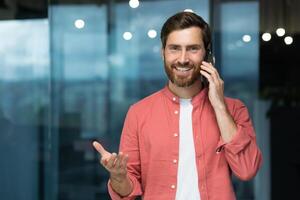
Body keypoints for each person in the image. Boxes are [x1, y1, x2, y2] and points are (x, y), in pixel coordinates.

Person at [93, 11, 262, 200]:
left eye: (193, 48)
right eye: (174, 48)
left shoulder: (234, 109)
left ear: (207, 54)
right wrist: (118, 177)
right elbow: (127, 190)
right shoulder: (138, 113)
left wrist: (219, 107)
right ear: (162, 52)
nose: (182, 59)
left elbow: (247, 170)